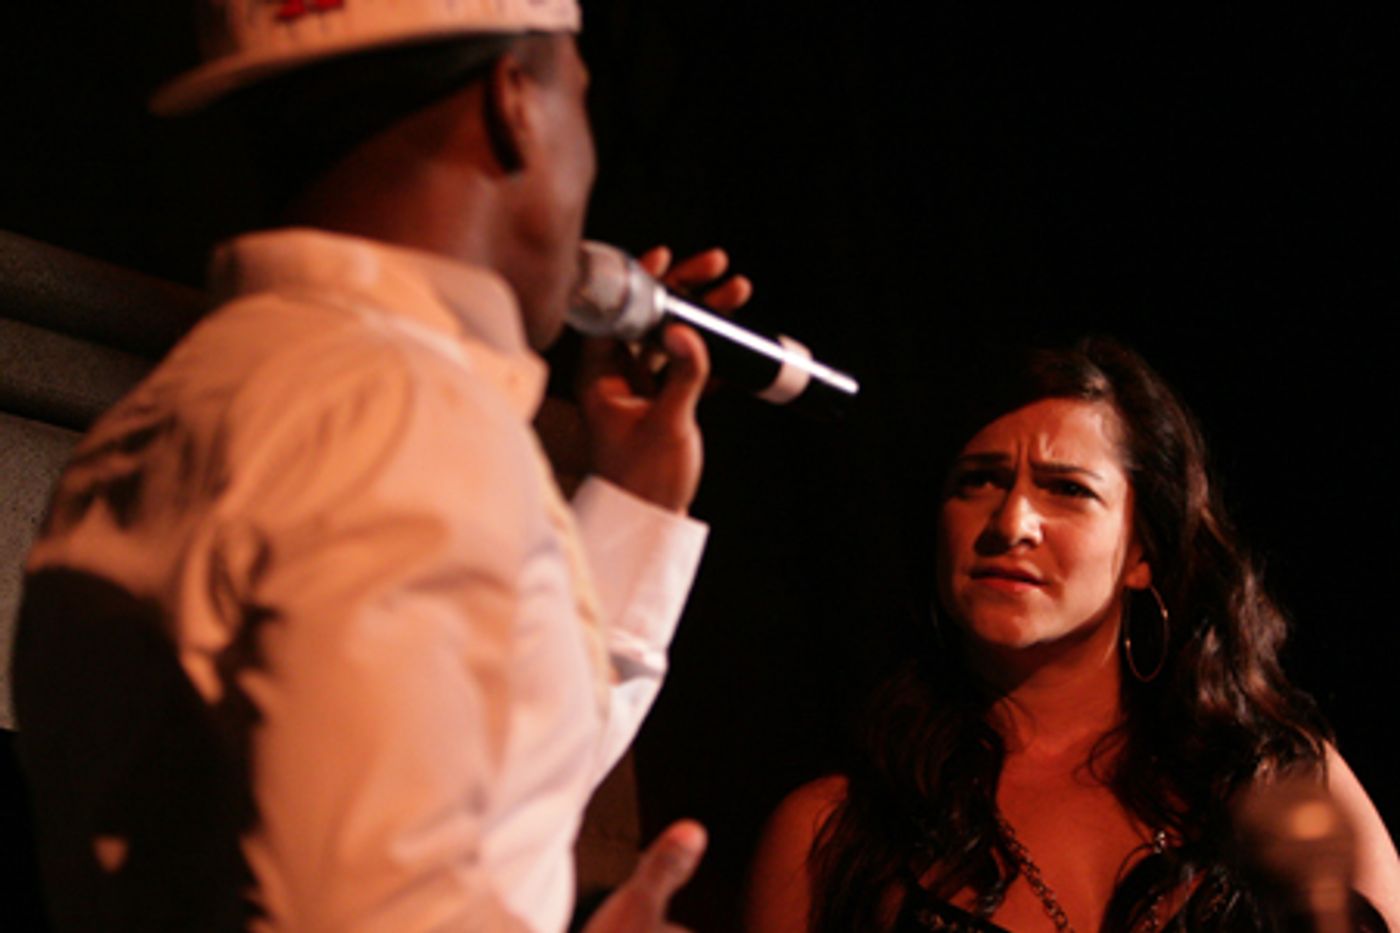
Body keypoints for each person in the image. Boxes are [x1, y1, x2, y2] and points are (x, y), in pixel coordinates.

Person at [13, 2, 749, 930]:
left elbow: (467, 787)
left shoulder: (156, 425)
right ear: (516, 101)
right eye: (582, 95)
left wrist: (635, 501)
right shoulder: (398, 423)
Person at [745, 337, 1400, 932]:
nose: (1011, 523)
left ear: (1143, 552)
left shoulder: (1279, 777)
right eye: (979, 480)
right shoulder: (832, 834)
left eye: (1067, 489)